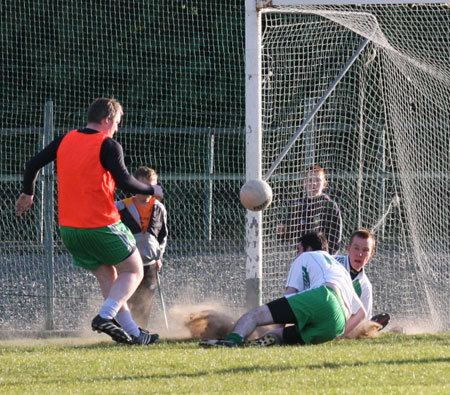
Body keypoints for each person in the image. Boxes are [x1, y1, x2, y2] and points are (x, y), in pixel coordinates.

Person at [15, 97, 161, 345]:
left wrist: (28, 192)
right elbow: (126, 182)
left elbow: (33, 163)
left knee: (109, 278)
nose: (116, 128)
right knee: (134, 270)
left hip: (70, 229)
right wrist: (152, 190)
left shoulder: (67, 138)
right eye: (116, 123)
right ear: (107, 120)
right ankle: (105, 316)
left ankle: (134, 334)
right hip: (101, 224)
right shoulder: (108, 145)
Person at [200, 232, 366, 348]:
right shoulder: (339, 267)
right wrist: (339, 334)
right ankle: (267, 340)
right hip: (336, 325)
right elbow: (361, 313)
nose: (296, 254)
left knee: (254, 315)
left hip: (325, 298)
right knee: (279, 335)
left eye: (297, 250)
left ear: (307, 249)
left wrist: (271, 322)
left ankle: (232, 340)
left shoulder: (306, 257)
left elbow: (290, 295)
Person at [115, 166, 168, 329]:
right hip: (127, 263)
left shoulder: (159, 208)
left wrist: (158, 257)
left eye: (150, 188)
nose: (146, 191)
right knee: (126, 298)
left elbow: (162, 235)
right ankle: (123, 330)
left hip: (149, 264)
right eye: (142, 186)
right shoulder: (120, 207)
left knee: (146, 301)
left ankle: (141, 331)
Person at [277, 165, 342, 254]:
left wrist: (328, 255)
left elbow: (336, 237)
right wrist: (282, 231)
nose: (314, 184)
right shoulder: (297, 206)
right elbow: (288, 234)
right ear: (304, 183)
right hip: (302, 255)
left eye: (318, 181)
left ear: (324, 184)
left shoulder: (330, 206)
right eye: (310, 180)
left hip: (322, 256)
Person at [334, 229, 390, 329]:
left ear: (371, 253)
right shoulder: (331, 263)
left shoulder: (365, 286)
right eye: (356, 248)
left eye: (365, 250)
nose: (360, 254)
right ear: (348, 248)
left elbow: (363, 322)